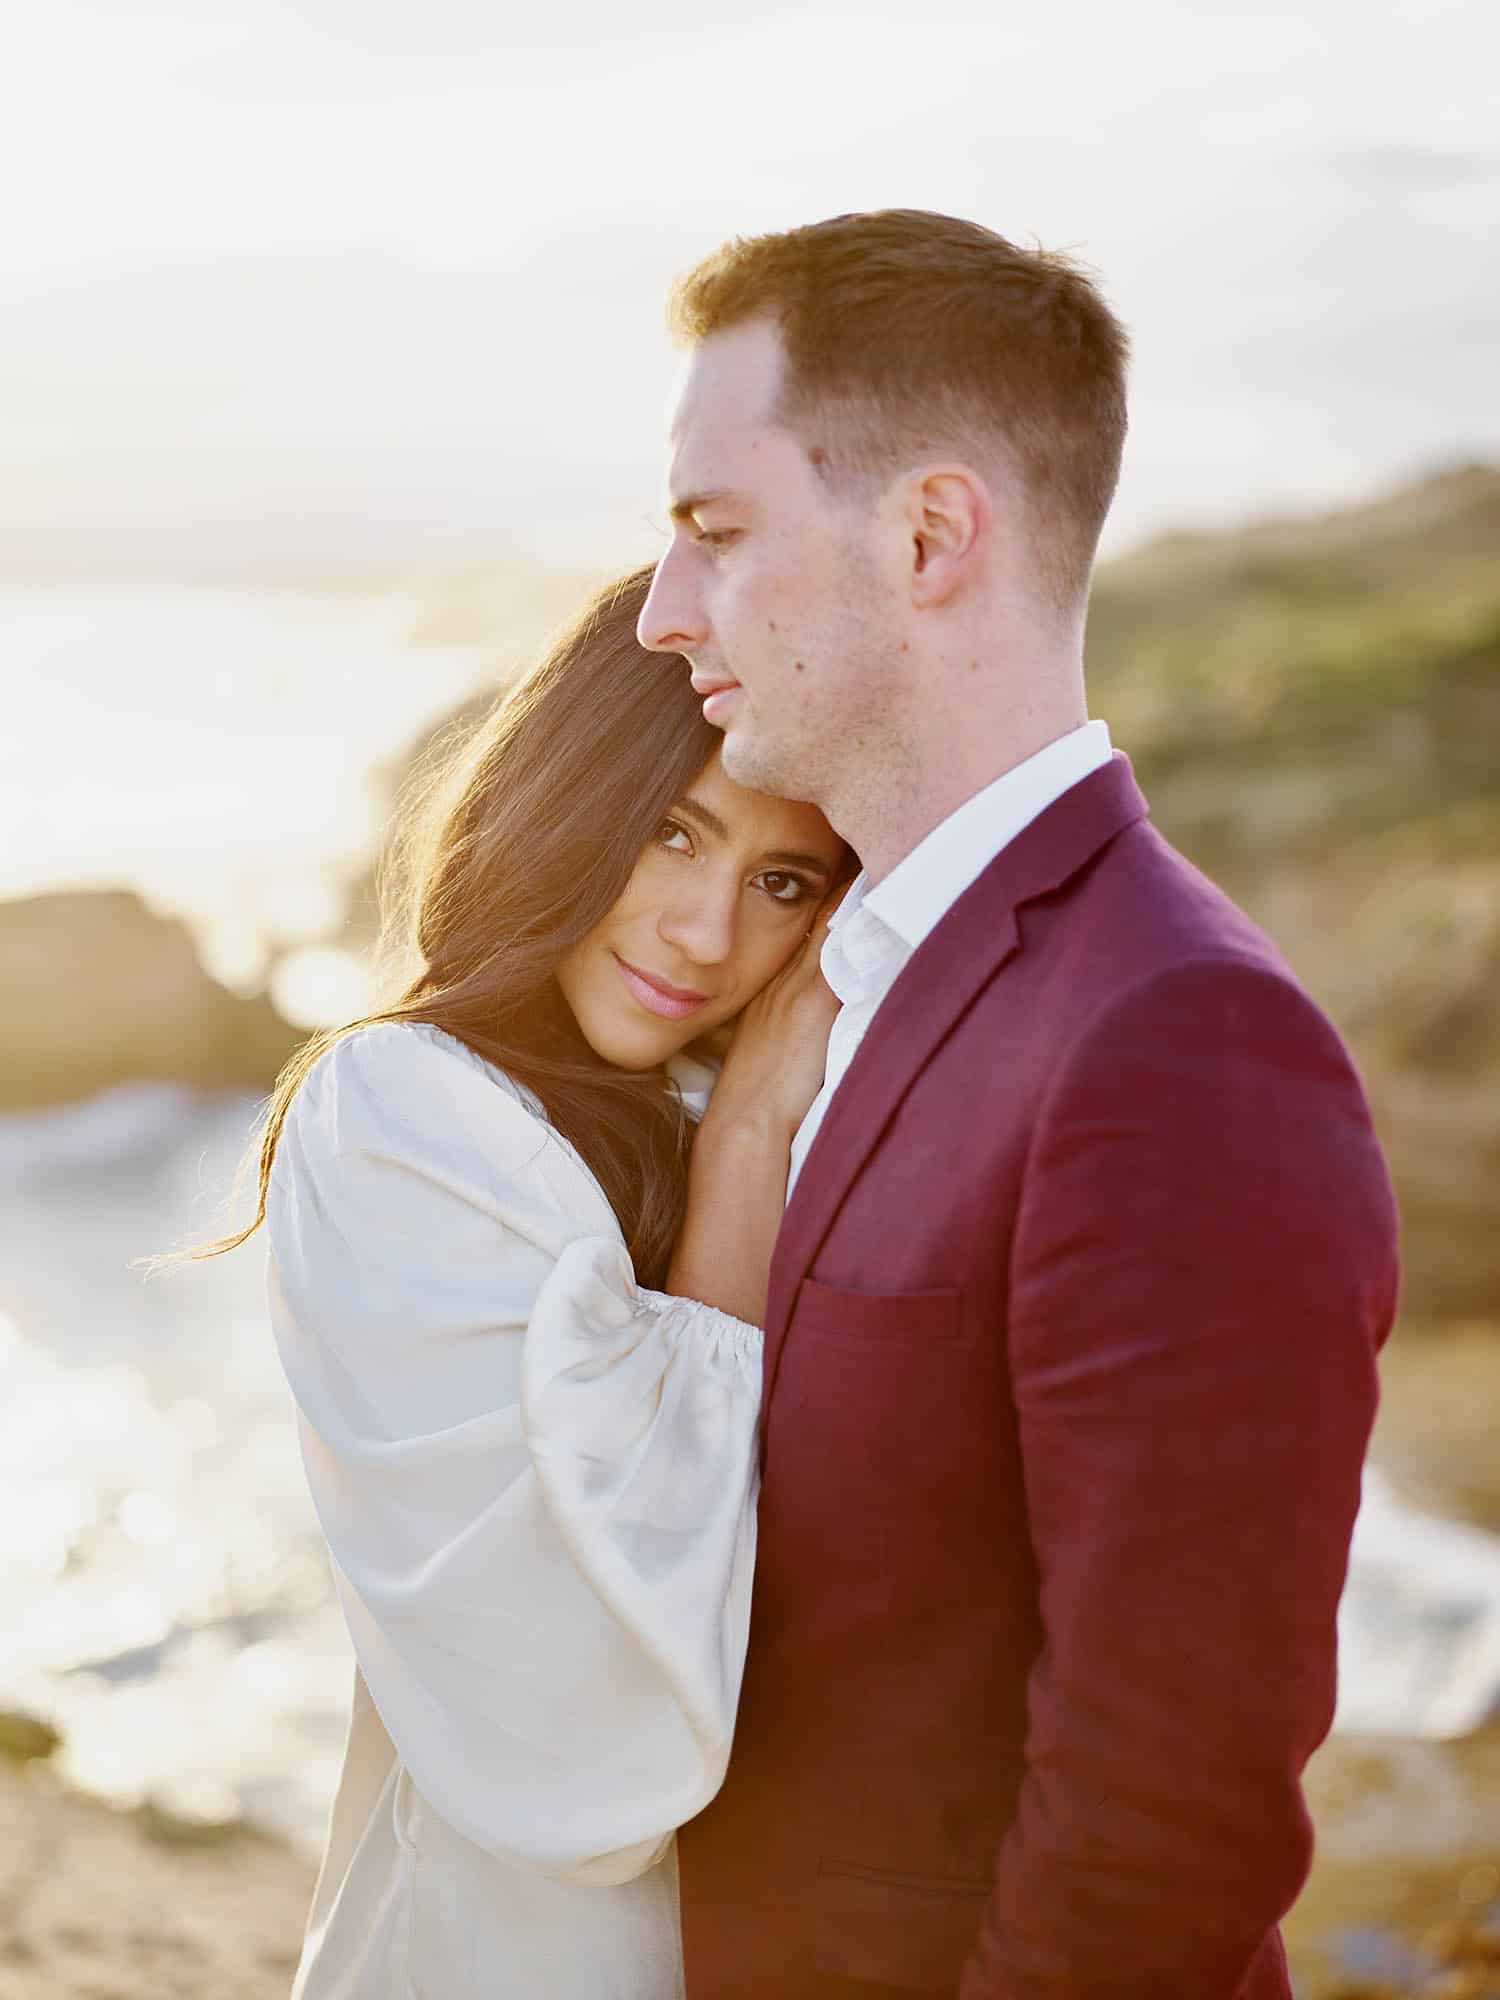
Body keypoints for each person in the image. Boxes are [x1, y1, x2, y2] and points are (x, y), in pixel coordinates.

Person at [637, 210, 1401, 2000]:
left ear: (927, 535)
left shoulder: (1178, 1038)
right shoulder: (848, 983)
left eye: (717, 532)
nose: (666, 611)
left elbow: (1167, 1816)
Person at [204, 566, 847, 1997]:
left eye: (782, 882)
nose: (705, 934)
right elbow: (624, 1620)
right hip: (507, 1945)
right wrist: (747, 1135)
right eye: (674, 833)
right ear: (578, 797)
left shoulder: (731, 1105)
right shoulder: (399, 1112)